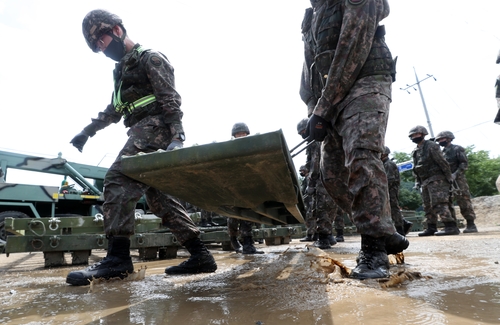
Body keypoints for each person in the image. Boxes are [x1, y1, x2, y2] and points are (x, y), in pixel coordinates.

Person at [66, 10, 217, 286]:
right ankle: (200, 255)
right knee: (159, 197)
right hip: (141, 129)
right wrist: (87, 132)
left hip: (155, 127)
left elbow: (170, 98)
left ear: (117, 30)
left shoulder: (150, 57)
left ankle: (118, 259)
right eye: (96, 45)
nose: (101, 47)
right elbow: (115, 109)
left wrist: (178, 137)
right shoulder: (122, 70)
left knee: (117, 178)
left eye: (101, 39)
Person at [302, 0, 408, 279]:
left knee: (362, 153)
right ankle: (385, 233)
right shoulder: (313, 13)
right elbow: (310, 64)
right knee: (332, 175)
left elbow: (353, 46)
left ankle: (373, 249)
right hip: (331, 93)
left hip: (365, 79)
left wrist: (323, 106)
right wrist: (313, 109)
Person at [409, 125, 460, 237]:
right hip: (425, 181)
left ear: (423, 134)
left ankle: (450, 226)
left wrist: (448, 177)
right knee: (427, 205)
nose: (414, 137)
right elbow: (416, 167)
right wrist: (417, 181)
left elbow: (442, 162)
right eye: (412, 136)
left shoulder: (431, 146)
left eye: (416, 134)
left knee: (440, 203)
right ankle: (431, 227)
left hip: (437, 178)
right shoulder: (415, 151)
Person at [297, 118, 337, 249]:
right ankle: (329, 236)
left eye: (303, 131)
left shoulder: (315, 141)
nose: (302, 134)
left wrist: (312, 181)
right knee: (328, 207)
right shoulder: (321, 137)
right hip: (331, 176)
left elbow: (315, 162)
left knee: (321, 208)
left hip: (322, 177)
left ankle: (324, 239)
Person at [226, 122, 264, 254]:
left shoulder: (252, 147)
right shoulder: (228, 148)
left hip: (248, 187)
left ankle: (248, 245)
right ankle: (234, 240)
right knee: (232, 216)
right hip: (233, 187)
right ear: (234, 135)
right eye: (238, 134)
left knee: (247, 216)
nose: (241, 135)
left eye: (243, 133)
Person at [434, 131, 478, 233]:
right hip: (446, 181)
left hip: (459, 180)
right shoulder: (441, 152)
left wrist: (455, 174)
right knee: (447, 202)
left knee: (464, 200)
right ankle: (452, 226)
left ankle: (471, 224)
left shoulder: (457, 149)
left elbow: (464, 164)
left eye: (442, 139)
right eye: (439, 140)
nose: (440, 141)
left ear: (449, 138)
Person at [381, 146, 413, 235]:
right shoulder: (384, 164)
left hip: (391, 190)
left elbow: (390, 179)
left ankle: (400, 229)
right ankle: (404, 224)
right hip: (387, 190)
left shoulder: (388, 164)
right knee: (390, 209)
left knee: (394, 208)